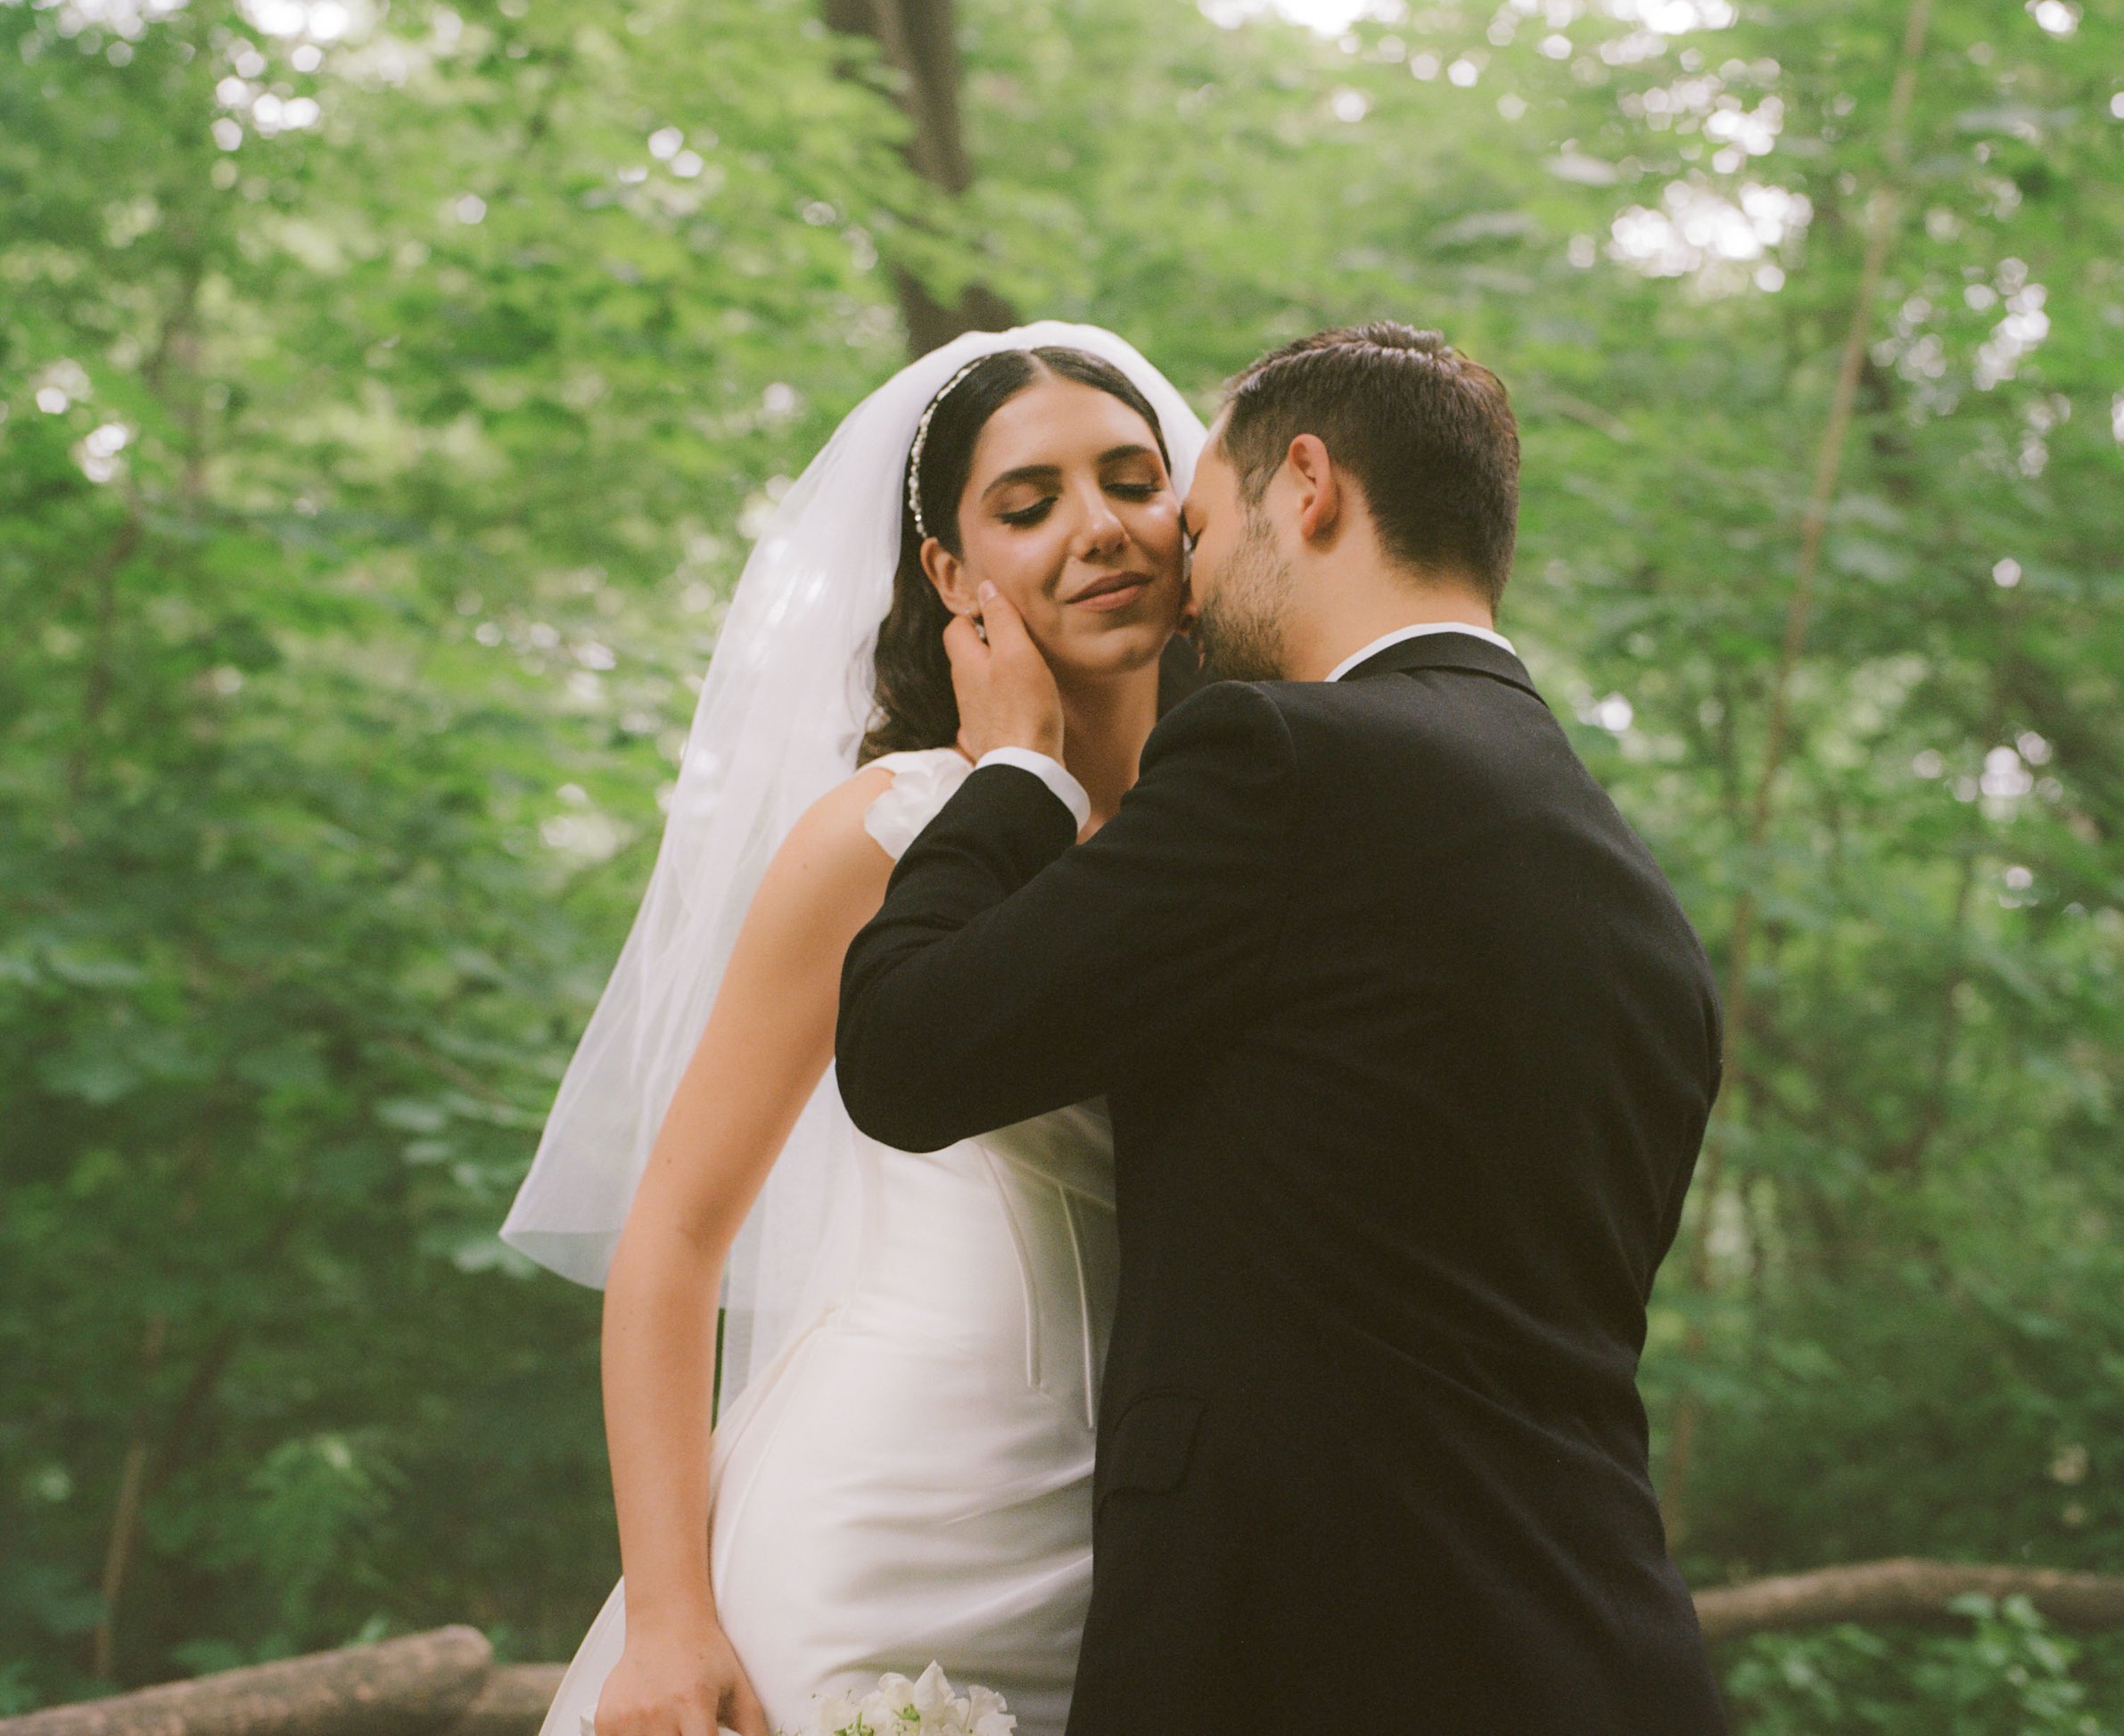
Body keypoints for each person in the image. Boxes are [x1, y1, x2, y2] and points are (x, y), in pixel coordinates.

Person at [838, 321, 1728, 1733]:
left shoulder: (1285, 760)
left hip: (1310, 1659)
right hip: (1600, 1653)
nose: (1180, 586)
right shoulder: (1636, 900)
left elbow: (903, 1053)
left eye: (1191, 523)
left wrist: (1010, 769)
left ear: (1305, 487)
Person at [503, 325, 1206, 1736]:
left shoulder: (1239, 831)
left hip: (1149, 1561)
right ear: (951, 577)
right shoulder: (884, 836)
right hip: (879, 1540)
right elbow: (676, 1238)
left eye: (1135, 481)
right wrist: (669, 1615)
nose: (1100, 529)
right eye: (1029, 503)